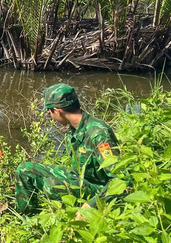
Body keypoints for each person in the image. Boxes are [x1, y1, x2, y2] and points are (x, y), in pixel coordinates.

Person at [14, 84, 120, 213]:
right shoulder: (75, 128)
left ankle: (70, 214)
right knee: (24, 169)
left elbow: (120, 180)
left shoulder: (98, 134)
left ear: (58, 111)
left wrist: (91, 206)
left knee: (51, 185)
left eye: (50, 111)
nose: (50, 115)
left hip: (98, 188)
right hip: (79, 178)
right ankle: (29, 219)